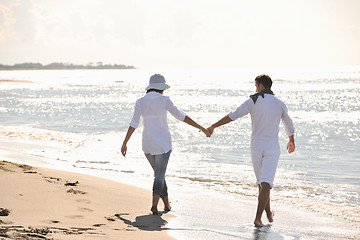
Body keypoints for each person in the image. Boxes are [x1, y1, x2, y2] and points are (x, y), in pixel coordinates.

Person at [207, 74, 295, 227]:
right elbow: (288, 123)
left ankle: (266, 214)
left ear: (261, 86)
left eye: (256, 86)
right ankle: (259, 217)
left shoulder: (252, 101)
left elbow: (233, 115)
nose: (255, 88)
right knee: (266, 182)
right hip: (272, 147)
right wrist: (291, 140)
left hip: (256, 146)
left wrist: (214, 126)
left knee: (263, 183)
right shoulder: (279, 103)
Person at [121, 74, 210, 215]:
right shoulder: (164, 100)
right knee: (159, 175)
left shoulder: (140, 101)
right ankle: (154, 206)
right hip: (163, 144)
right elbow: (181, 116)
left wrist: (125, 142)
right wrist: (202, 128)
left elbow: (134, 123)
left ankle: (167, 205)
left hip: (148, 145)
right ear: (161, 88)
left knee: (159, 174)